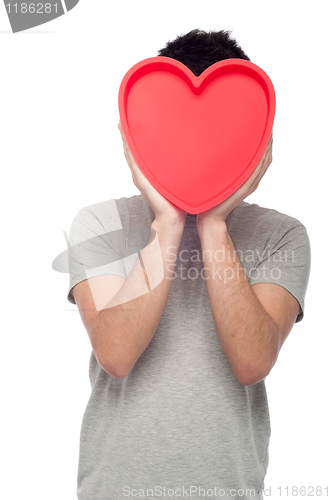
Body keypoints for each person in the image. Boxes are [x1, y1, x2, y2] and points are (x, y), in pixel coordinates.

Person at [67, 29, 311, 500]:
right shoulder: (99, 223)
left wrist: (215, 223)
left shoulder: (283, 235)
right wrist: (170, 219)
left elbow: (253, 361)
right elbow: (115, 354)